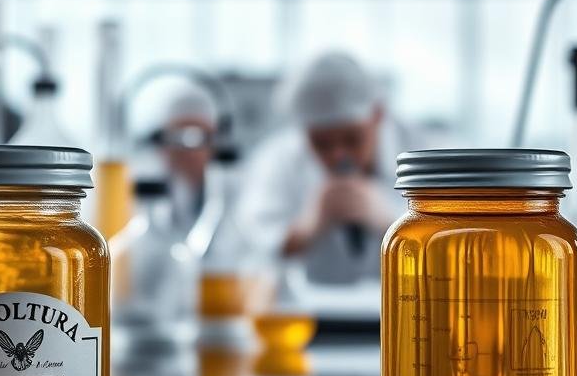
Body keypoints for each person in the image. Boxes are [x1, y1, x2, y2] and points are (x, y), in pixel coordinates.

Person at [238, 52, 411, 285]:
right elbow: (252, 248)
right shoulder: (275, 161)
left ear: (378, 115)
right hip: (308, 306)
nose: (338, 154)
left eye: (352, 138)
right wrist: (307, 227)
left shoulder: (423, 151)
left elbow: (448, 245)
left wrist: (392, 222)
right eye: (321, 143)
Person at [128, 71, 218, 235]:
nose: (187, 150)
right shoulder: (139, 186)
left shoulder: (233, 192)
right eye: (177, 137)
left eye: (196, 137)